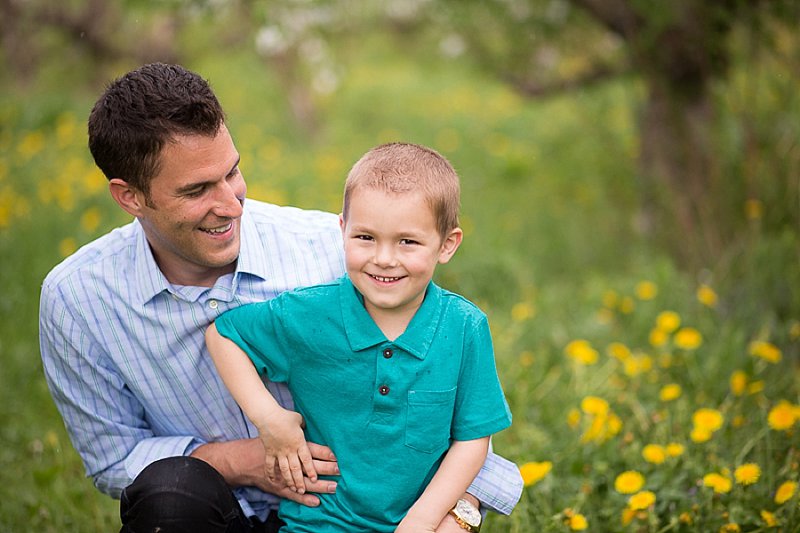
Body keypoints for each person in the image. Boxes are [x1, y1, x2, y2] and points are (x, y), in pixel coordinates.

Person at [38, 62, 522, 533]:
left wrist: (455, 516)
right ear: (130, 197)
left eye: (232, 173)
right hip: (242, 515)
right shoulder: (78, 300)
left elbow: (449, 418)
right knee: (169, 497)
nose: (230, 205)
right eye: (197, 190)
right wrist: (246, 459)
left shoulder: (345, 253)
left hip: (376, 514)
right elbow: (115, 461)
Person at [206, 142, 512, 532]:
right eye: (366, 237)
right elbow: (224, 334)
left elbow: (472, 439)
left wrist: (423, 519)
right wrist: (269, 418)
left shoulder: (464, 327)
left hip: (421, 522)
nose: (383, 258)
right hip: (320, 523)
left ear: (446, 244)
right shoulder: (309, 314)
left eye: (407, 241)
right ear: (342, 230)